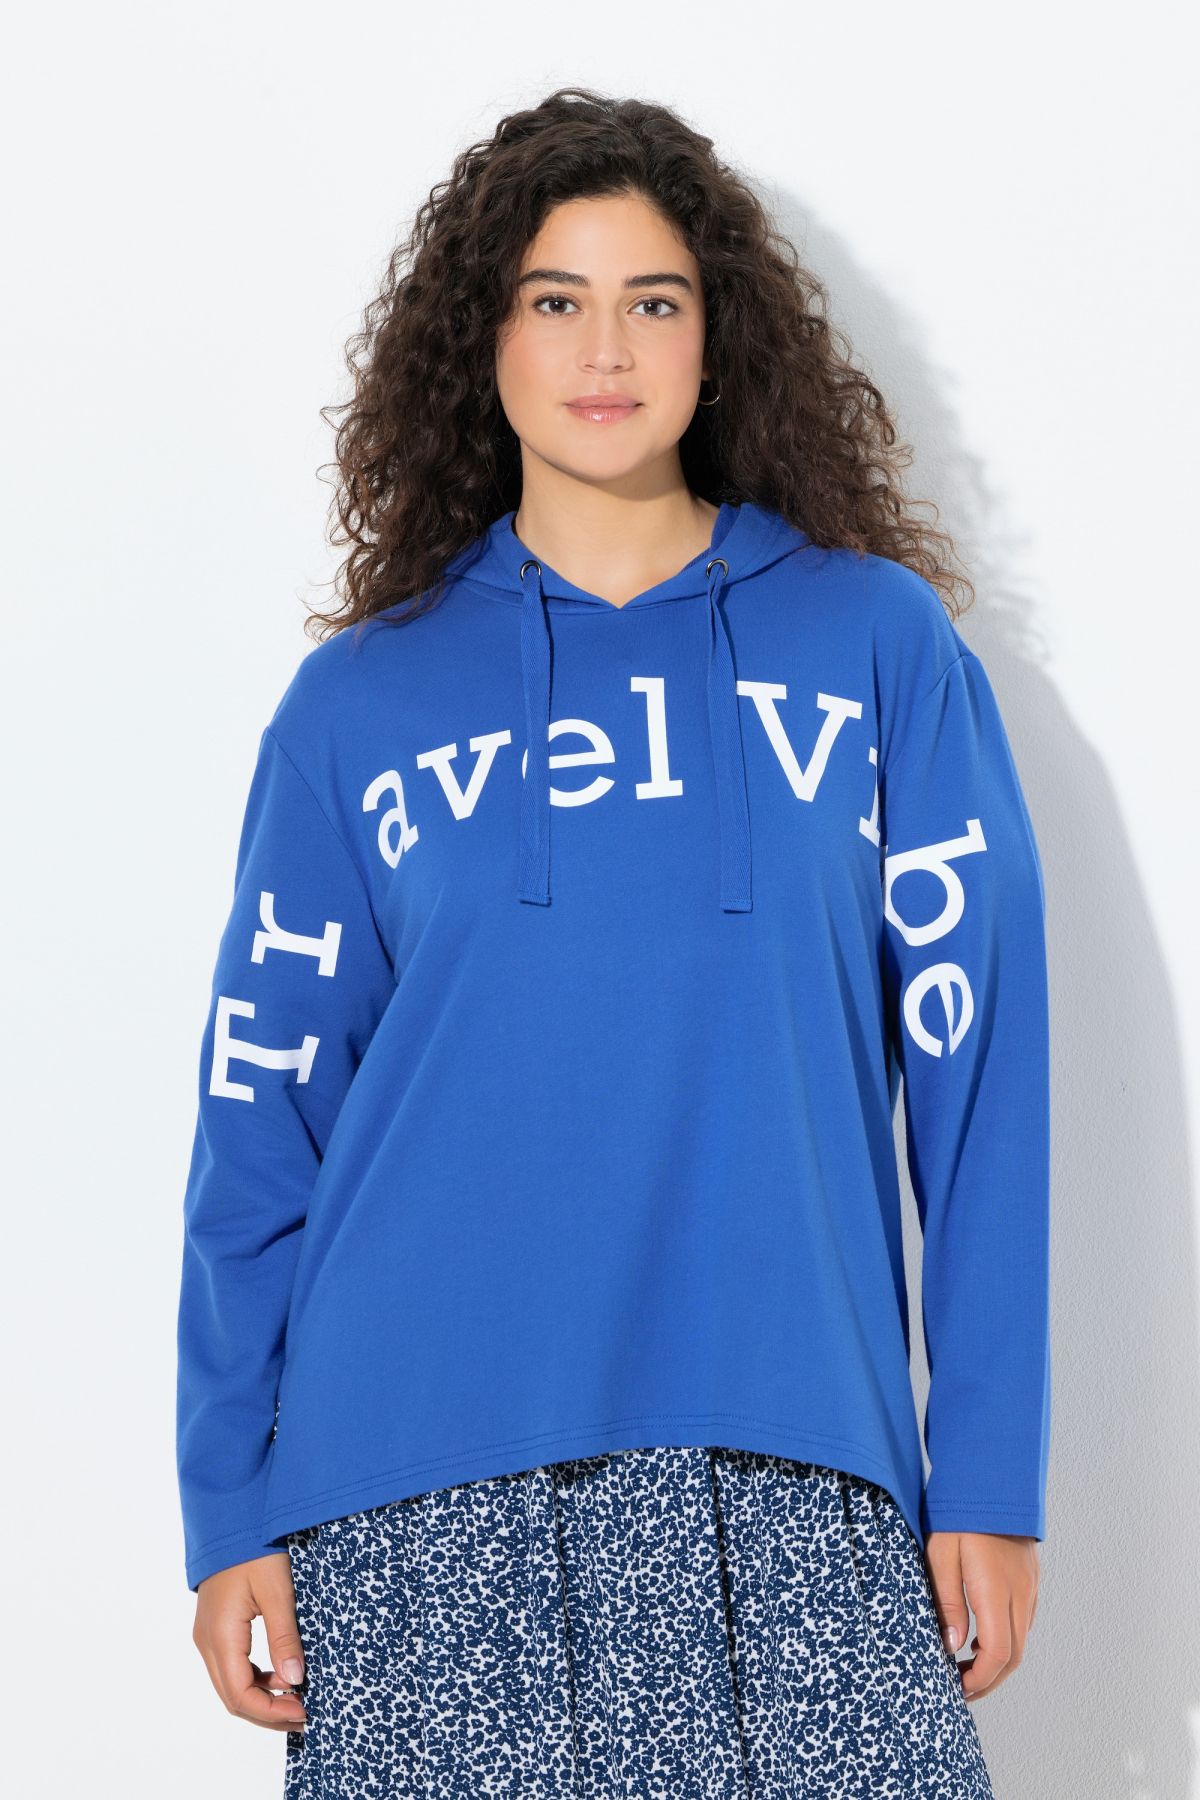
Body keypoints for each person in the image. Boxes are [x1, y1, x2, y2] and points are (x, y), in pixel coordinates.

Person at [176, 86, 1049, 1797]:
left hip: (792, 1460)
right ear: (484, 341)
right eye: (553, 299)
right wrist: (229, 1504)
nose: (605, 349)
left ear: (718, 340)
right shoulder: (359, 705)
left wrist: (992, 1478)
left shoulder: (876, 650)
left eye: (653, 299)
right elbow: (258, 1115)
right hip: (416, 1490)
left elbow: (982, 1082)